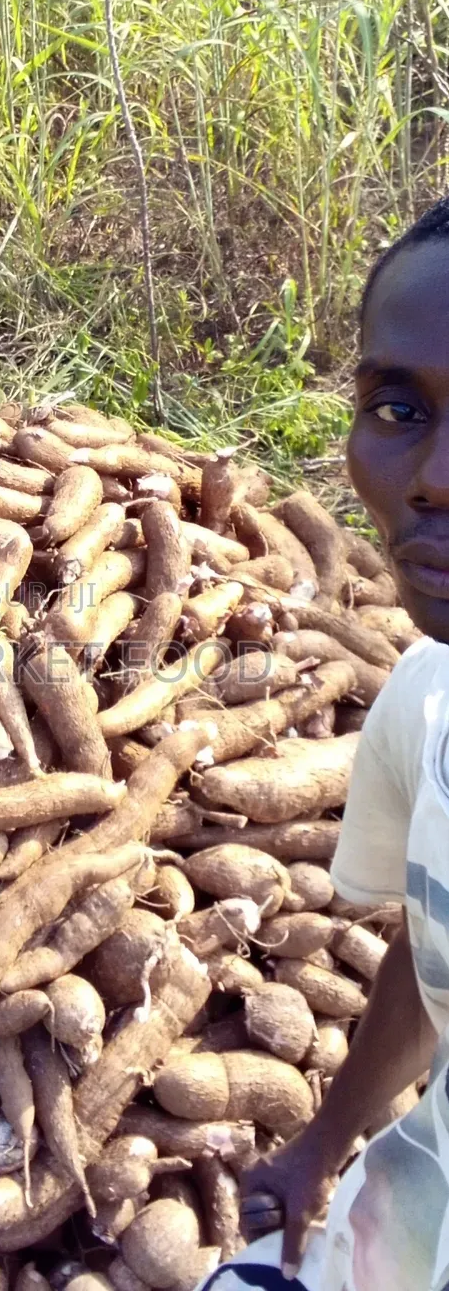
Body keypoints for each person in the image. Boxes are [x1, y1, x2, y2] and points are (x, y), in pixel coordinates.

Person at [197, 196, 449, 1290]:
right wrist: (324, 1140)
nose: (432, 477)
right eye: (397, 408)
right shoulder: (421, 701)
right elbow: (431, 942)